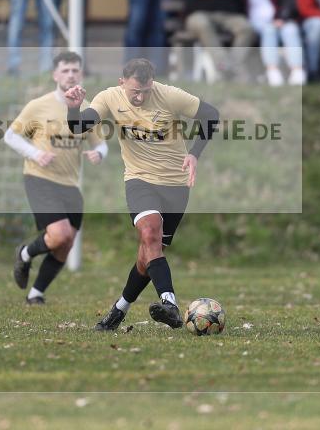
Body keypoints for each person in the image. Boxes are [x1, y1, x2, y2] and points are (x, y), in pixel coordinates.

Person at [65, 58, 219, 331]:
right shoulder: (109, 98)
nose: (140, 97)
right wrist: (73, 108)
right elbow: (78, 126)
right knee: (150, 235)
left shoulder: (169, 95)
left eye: (145, 92)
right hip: (139, 180)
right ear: (122, 82)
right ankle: (170, 303)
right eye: (135, 91)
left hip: (176, 185)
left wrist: (195, 154)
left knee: (148, 255)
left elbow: (211, 114)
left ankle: (119, 310)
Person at [7, 51, 107, 305]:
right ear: (55, 75)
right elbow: (10, 136)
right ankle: (25, 253)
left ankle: (35, 294)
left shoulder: (87, 110)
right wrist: (35, 153)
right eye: (65, 70)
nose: (70, 75)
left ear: (81, 74)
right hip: (40, 178)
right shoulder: (39, 105)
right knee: (60, 235)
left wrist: (98, 153)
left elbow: (101, 144)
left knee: (65, 244)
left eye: (75, 70)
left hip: (70, 184)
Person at [243, 0, 305, 86]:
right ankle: (272, 70)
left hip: (276, 20)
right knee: (269, 30)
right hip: (256, 23)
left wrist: (282, 18)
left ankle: (297, 70)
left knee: (291, 29)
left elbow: (286, 3)